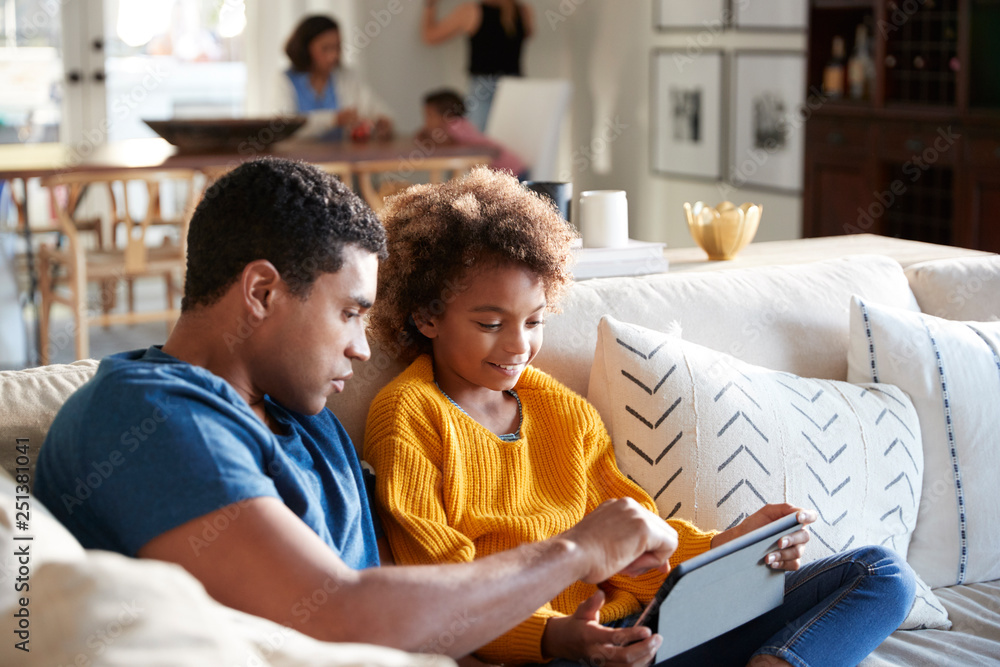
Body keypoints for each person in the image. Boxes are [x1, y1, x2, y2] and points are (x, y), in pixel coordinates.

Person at [33, 157, 680, 664]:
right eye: (350, 312)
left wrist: (559, 637)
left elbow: (414, 608)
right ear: (261, 291)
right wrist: (576, 551)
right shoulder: (148, 416)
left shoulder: (306, 418)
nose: (363, 346)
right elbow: (336, 616)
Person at [364, 167, 917, 667]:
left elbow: (641, 543)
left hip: (642, 627)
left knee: (882, 575)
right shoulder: (408, 416)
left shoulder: (564, 411)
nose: (518, 344)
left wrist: (733, 544)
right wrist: (560, 638)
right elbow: (444, 597)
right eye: (490, 324)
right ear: (426, 316)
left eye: (534, 322)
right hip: (548, 650)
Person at [422, 0, 533, 131]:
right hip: (516, 86)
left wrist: (430, 5)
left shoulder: (471, 11)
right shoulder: (524, 12)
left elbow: (430, 37)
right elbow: (529, 33)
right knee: (515, 139)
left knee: (478, 143)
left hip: (483, 88)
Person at [280, 15, 394, 140]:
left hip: (341, 157)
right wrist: (333, 119)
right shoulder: (285, 80)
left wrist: (382, 122)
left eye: (337, 47)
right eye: (325, 48)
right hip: (297, 157)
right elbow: (286, 127)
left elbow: (377, 109)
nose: (333, 56)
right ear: (306, 49)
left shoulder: (346, 77)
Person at [419, 88, 528, 179]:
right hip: (506, 172)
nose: (426, 121)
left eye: (429, 115)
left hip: (511, 173)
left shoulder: (456, 125)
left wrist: (428, 134)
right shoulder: (456, 126)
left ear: (447, 115)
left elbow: (448, 143)